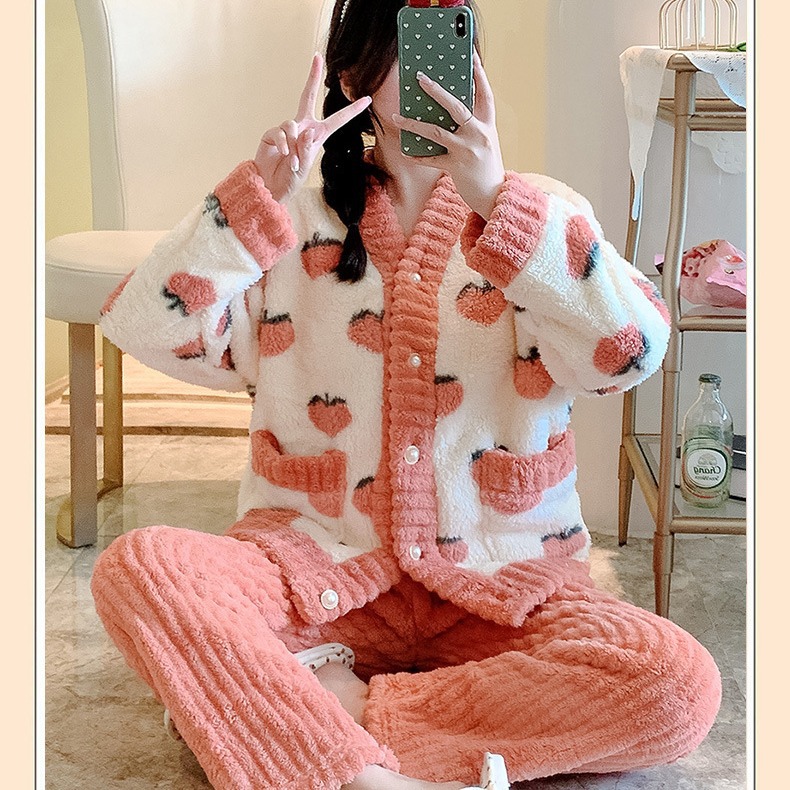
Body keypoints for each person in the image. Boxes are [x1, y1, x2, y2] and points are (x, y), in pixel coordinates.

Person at [91, 1, 721, 788]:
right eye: (405, 45)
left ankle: (327, 715)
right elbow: (143, 326)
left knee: (674, 685)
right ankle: (367, 774)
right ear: (353, 74)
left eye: (451, 38)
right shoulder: (292, 220)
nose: (431, 71)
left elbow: (631, 353)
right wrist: (252, 201)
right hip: (318, 577)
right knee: (142, 566)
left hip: (503, 586)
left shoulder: (538, 213)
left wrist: (498, 202)